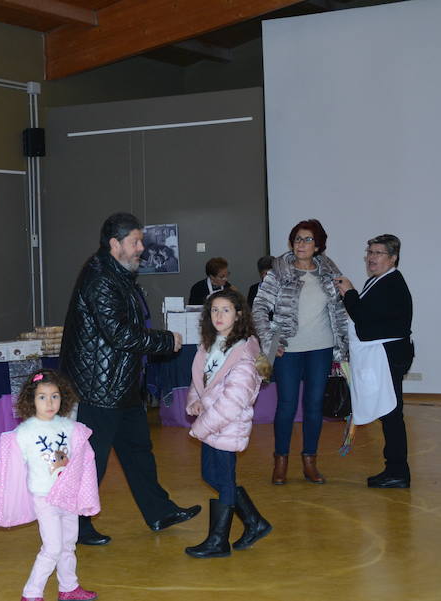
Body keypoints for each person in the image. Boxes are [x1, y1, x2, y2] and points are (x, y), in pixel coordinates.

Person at [60, 212, 199, 546]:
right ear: (114, 244)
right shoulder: (100, 278)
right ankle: (76, 526)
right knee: (92, 459)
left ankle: (159, 511)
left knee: (138, 451)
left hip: (119, 384)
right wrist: (165, 341)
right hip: (98, 386)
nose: (142, 249)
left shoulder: (116, 274)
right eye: (135, 242)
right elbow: (119, 334)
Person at [0, 369, 100, 601]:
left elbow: (82, 459)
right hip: (44, 498)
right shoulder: (24, 433)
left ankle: (69, 588)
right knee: (52, 548)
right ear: (31, 400)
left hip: (69, 497)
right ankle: (31, 593)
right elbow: (10, 467)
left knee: (68, 545)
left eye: (55, 396)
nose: (50, 402)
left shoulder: (70, 427)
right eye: (42, 397)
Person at [253, 219, 348, 485]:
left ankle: (310, 461)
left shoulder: (330, 274)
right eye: (297, 239)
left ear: (318, 246)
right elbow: (259, 307)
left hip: (321, 348)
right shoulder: (278, 272)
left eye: (307, 240)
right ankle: (280, 461)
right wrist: (269, 339)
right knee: (286, 405)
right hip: (288, 350)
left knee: (314, 405)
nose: (300, 244)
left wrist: (344, 347)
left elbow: (340, 310)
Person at [184, 290, 272, 558]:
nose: (219, 316)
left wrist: (200, 426)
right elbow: (202, 381)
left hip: (226, 427)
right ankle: (255, 522)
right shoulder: (212, 345)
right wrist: (196, 401)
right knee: (213, 476)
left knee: (222, 479)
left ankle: (218, 541)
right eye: (214, 310)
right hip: (212, 424)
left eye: (225, 310)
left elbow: (232, 403)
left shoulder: (244, 355)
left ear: (239, 315)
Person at [335, 234, 413, 488]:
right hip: (388, 356)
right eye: (369, 252)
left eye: (378, 253)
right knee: (390, 413)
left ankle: (398, 471)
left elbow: (364, 323)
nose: (371, 258)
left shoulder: (390, 284)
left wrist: (349, 293)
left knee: (391, 413)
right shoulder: (380, 281)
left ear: (393, 258)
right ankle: (395, 469)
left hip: (389, 357)